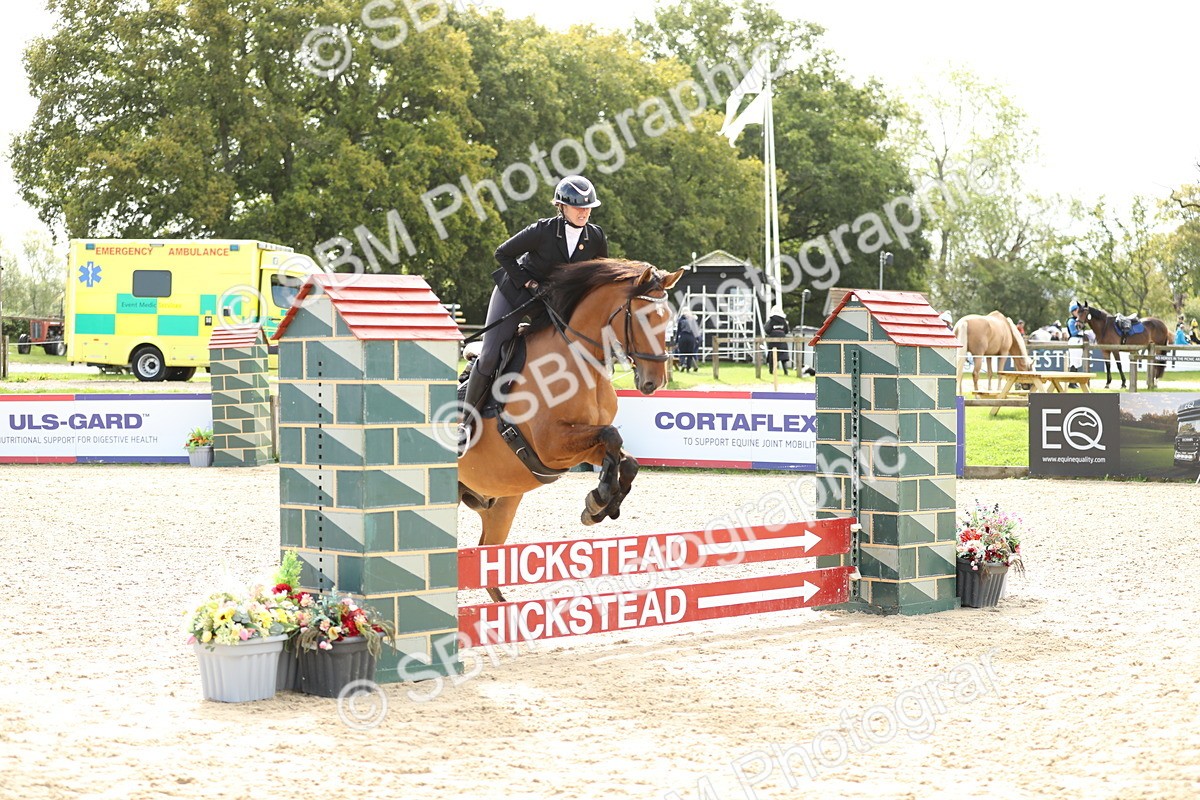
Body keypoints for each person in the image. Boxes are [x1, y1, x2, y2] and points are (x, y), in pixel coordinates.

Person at [459, 175, 609, 451]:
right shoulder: (543, 230)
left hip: (550, 302)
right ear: (561, 207)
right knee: (492, 353)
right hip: (515, 293)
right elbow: (502, 253)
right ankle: (464, 422)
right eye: (578, 206)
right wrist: (528, 282)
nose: (584, 212)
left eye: (588, 207)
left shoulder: (595, 236)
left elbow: (597, 275)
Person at [765, 307, 791, 375]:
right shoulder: (784, 321)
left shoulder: (771, 321)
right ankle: (786, 372)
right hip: (782, 340)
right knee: (783, 357)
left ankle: (771, 372)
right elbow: (787, 330)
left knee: (772, 356)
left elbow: (767, 329)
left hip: (773, 341)